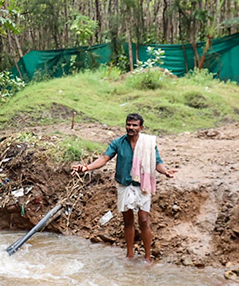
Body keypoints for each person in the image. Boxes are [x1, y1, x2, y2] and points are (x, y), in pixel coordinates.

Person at [71, 113, 176, 263]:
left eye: (134, 125)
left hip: (142, 185)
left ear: (141, 127)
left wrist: (165, 171)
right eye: (128, 124)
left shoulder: (148, 143)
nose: (131, 128)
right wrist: (86, 168)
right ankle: (130, 255)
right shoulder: (118, 143)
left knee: (144, 220)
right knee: (128, 220)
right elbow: (104, 159)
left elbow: (157, 162)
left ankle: (147, 256)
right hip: (124, 185)